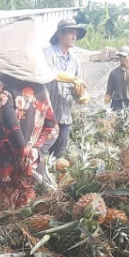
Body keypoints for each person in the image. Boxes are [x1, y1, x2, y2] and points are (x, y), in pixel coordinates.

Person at [0, 73, 57, 224]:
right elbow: (53, 127)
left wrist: (26, 155)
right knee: (25, 228)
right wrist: (36, 150)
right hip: (31, 169)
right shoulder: (41, 88)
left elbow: (11, 126)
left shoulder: (2, 83)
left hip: (3, 169)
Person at [42, 19, 87, 158]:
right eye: (70, 33)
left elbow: (77, 87)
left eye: (76, 34)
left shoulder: (75, 61)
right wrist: (72, 78)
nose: (74, 37)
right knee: (42, 155)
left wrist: (80, 95)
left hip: (65, 117)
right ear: (60, 34)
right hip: (46, 117)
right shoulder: (47, 54)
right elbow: (50, 73)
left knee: (58, 156)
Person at [104, 46, 129, 111]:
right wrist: (105, 106)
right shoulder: (114, 73)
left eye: (124, 56)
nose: (122, 58)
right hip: (117, 104)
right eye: (120, 56)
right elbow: (109, 92)